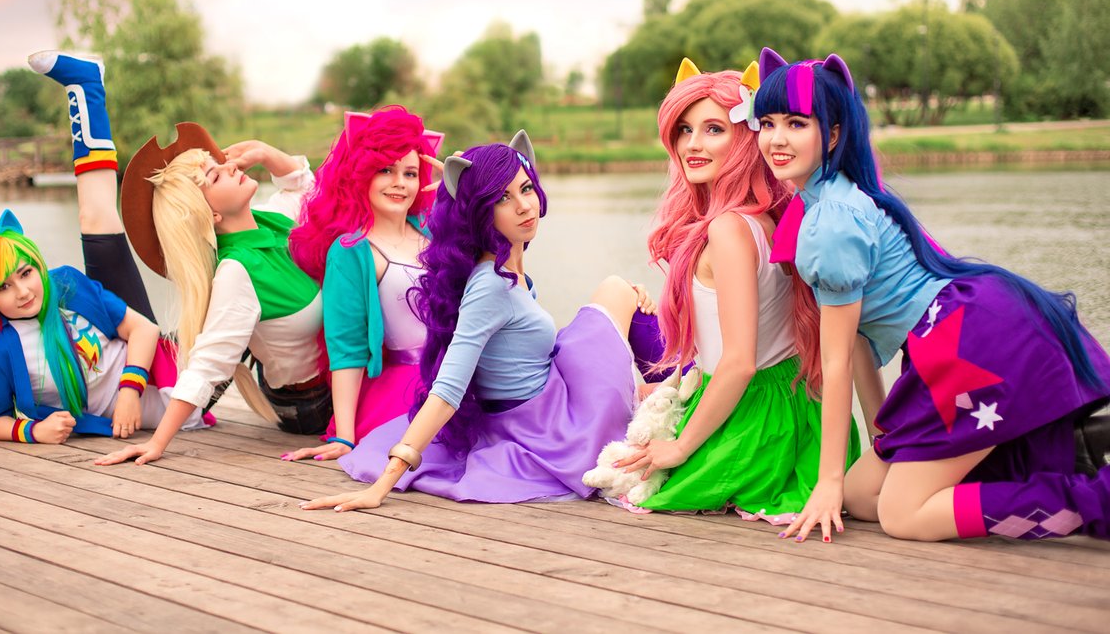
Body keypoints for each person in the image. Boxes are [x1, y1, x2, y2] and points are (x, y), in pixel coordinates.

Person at [752, 47, 1110, 543]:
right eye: (766, 123)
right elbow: (856, 342)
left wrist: (826, 480)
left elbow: (836, 361)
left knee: (902, 515)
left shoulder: (832, 221)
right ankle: (1074, 452)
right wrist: (881, 438)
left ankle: (1091, 499)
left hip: (963, 343)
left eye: (795, 123)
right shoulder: (827, 200)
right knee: (862, 497)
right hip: (948, 338)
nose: (776, 139)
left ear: (832, 134)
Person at [301, 131, 656, 509]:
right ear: (480, 212)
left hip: (547, 403)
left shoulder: (506, 268)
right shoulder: (490, 285)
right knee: (618, 290)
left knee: (624, 294)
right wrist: (382, 486)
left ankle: (667, 396)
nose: (524, 206)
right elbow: (447, 389)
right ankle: (676, 403)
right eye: (502, 198)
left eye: (526, 189)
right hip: (551, 430)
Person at [614, 58, 859, 520]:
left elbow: (741, 362)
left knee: (629, 473)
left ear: (746, 137)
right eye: (684, 130)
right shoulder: (771, 217)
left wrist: (681, 447)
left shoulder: (728, 229)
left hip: (756, 423)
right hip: (795, 409)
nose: (693, 144)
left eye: (713, 129)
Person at [0, 51, 207, 444]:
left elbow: (143, 329)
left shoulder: (65, 286)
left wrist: (130, 391)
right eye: (3, 287)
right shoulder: (0, 349)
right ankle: (87, 84)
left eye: (26, 273)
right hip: (194, 399)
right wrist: (32, 430)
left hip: (175, 369)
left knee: (96, 220)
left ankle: (86, 88)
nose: (22, 291)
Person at [94, 119, 326, 467]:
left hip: (337, 373)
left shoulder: (272, 220)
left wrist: (265, 152)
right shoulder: (237, 272)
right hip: (313, 403)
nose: (232, 167)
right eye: (216, 176)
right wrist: (157, 444)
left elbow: (306, 188)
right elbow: (207, 364)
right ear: (211, 214)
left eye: (221, 164)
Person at [283, 107, 443, 462]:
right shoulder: (353, 251)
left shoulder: (434, 231)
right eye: (385, 170)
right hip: (406, 389)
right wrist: (345, 435)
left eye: (410, 173)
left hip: (460, 376)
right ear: (362, 174)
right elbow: (347, 345)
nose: (399, 182)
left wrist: (462, 190)